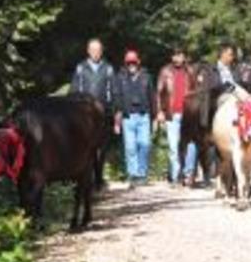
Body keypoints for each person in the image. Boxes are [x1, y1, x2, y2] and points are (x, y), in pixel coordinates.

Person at [69, 37, 120, 190]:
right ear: (88, 51)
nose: (95, 53)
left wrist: (116, 110)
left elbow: (115, 91)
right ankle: (83, 179)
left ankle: (98, 178)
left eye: (98, 50)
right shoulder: (80, 67)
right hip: (83, 114)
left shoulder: (108, 68)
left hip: (103, 114)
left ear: (101, 51)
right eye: (93, 50)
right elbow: (73, 90)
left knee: (101, 148)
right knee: (83, 147)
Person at [155, 48, 198, 186]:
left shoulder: (191, 71)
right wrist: (160, 111)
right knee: (174, 147)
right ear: (172, 57)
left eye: (180, 55)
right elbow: (159, 92)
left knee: (190, 146)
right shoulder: (165, 71)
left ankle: (188, 174)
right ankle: (176, 176)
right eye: (175, 55)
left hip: (188, 115)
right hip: (171, 114)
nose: (177, 58)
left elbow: (197, 92)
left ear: (184, 57)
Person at [115, 50, 155, 188]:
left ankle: (142, 174)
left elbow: (152, 97)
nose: (131, 65)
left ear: (138, 62)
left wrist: (154, 117)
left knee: (144, 145)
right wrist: (117, 118)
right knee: (130, 147)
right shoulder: (120, 77)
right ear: (126, 64)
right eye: (128, 63)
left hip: (144, 116)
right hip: (127, 117)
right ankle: (133, 175)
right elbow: (117, 97)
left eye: (133, 62)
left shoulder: (146, 77)